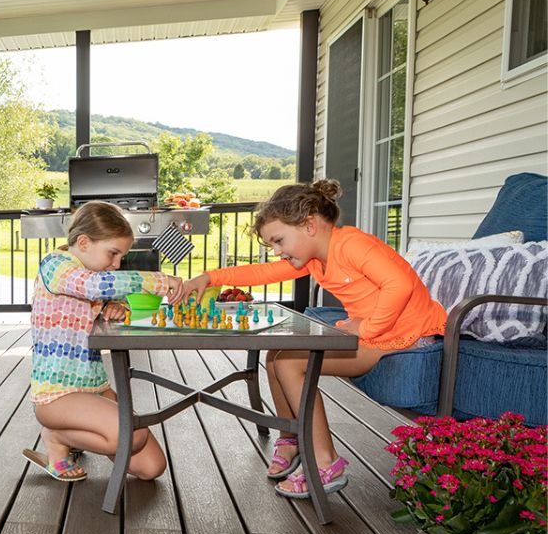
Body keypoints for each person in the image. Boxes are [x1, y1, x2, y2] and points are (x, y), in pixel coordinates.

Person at [173, 179, 447, 498]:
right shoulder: (317, 258)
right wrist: (210, 277)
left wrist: (366, 328)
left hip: (404, 338)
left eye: (279, 240)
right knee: (276, 353)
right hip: (380, 333)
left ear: (309, 225)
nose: (277, 251)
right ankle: (291, 437)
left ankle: (324, 462)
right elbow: (264, 274)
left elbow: (399, 285)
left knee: (290, 362)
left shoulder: (352, 244)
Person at [26, 201, 182, 481]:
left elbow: (106, 293)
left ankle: (76, 435)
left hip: (94, 386)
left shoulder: (91, 274)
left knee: (152, 468)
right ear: (83, 242)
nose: (117, 264)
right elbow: (93, 286)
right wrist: (159, 282)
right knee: (134, 436)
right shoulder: (56, 266)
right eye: (113, 253)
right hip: (57, 394)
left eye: (121, 256)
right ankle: (57, 437)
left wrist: (118, 307)